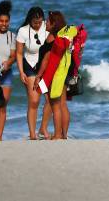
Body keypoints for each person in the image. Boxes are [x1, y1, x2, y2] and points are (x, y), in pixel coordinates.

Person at [34, 11, 77, 140]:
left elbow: (46, 60)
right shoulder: (63, 37)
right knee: (62, 104)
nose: (45, 23)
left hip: (55, 73)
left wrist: (38, 75)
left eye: (47, 21)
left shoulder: (55, 39)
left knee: (55, 104)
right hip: (65, 72)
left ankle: (58, 134)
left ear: (53, 24)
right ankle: (63, 134)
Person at [16, 6, 52, 140]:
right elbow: (19, 53)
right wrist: (21, 72)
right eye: (35, 22)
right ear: (30, 20)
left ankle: (43, 128)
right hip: (29, 65)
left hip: (44, 65)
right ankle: (32, 134)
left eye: (40, 22)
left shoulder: (46, 27)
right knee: (34, 100)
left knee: (50, 99)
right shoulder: (23, 31)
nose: (38, 25)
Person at [0, 0, 17, 141]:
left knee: (2, 106)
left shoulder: (12, 37)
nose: (4, 24)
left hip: (6, 75)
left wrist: (9, 62)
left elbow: (14, 55)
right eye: (1, 21)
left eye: (6, 21)